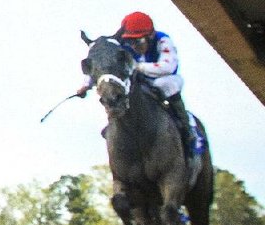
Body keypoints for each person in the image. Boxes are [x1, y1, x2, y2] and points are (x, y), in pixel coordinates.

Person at [77, 11, 194, 152]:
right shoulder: (121, 45)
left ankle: (185, 126)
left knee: (169, 85)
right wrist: (86, 85)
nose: (133, 46)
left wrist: (137, 67)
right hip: (138, 81)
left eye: (137, 41)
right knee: (117, 90)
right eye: (130, 41)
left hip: (162, 78)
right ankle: (115, 121)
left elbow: (168, 67)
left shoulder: (163, 40)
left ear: (150, 36)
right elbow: (103, 66)